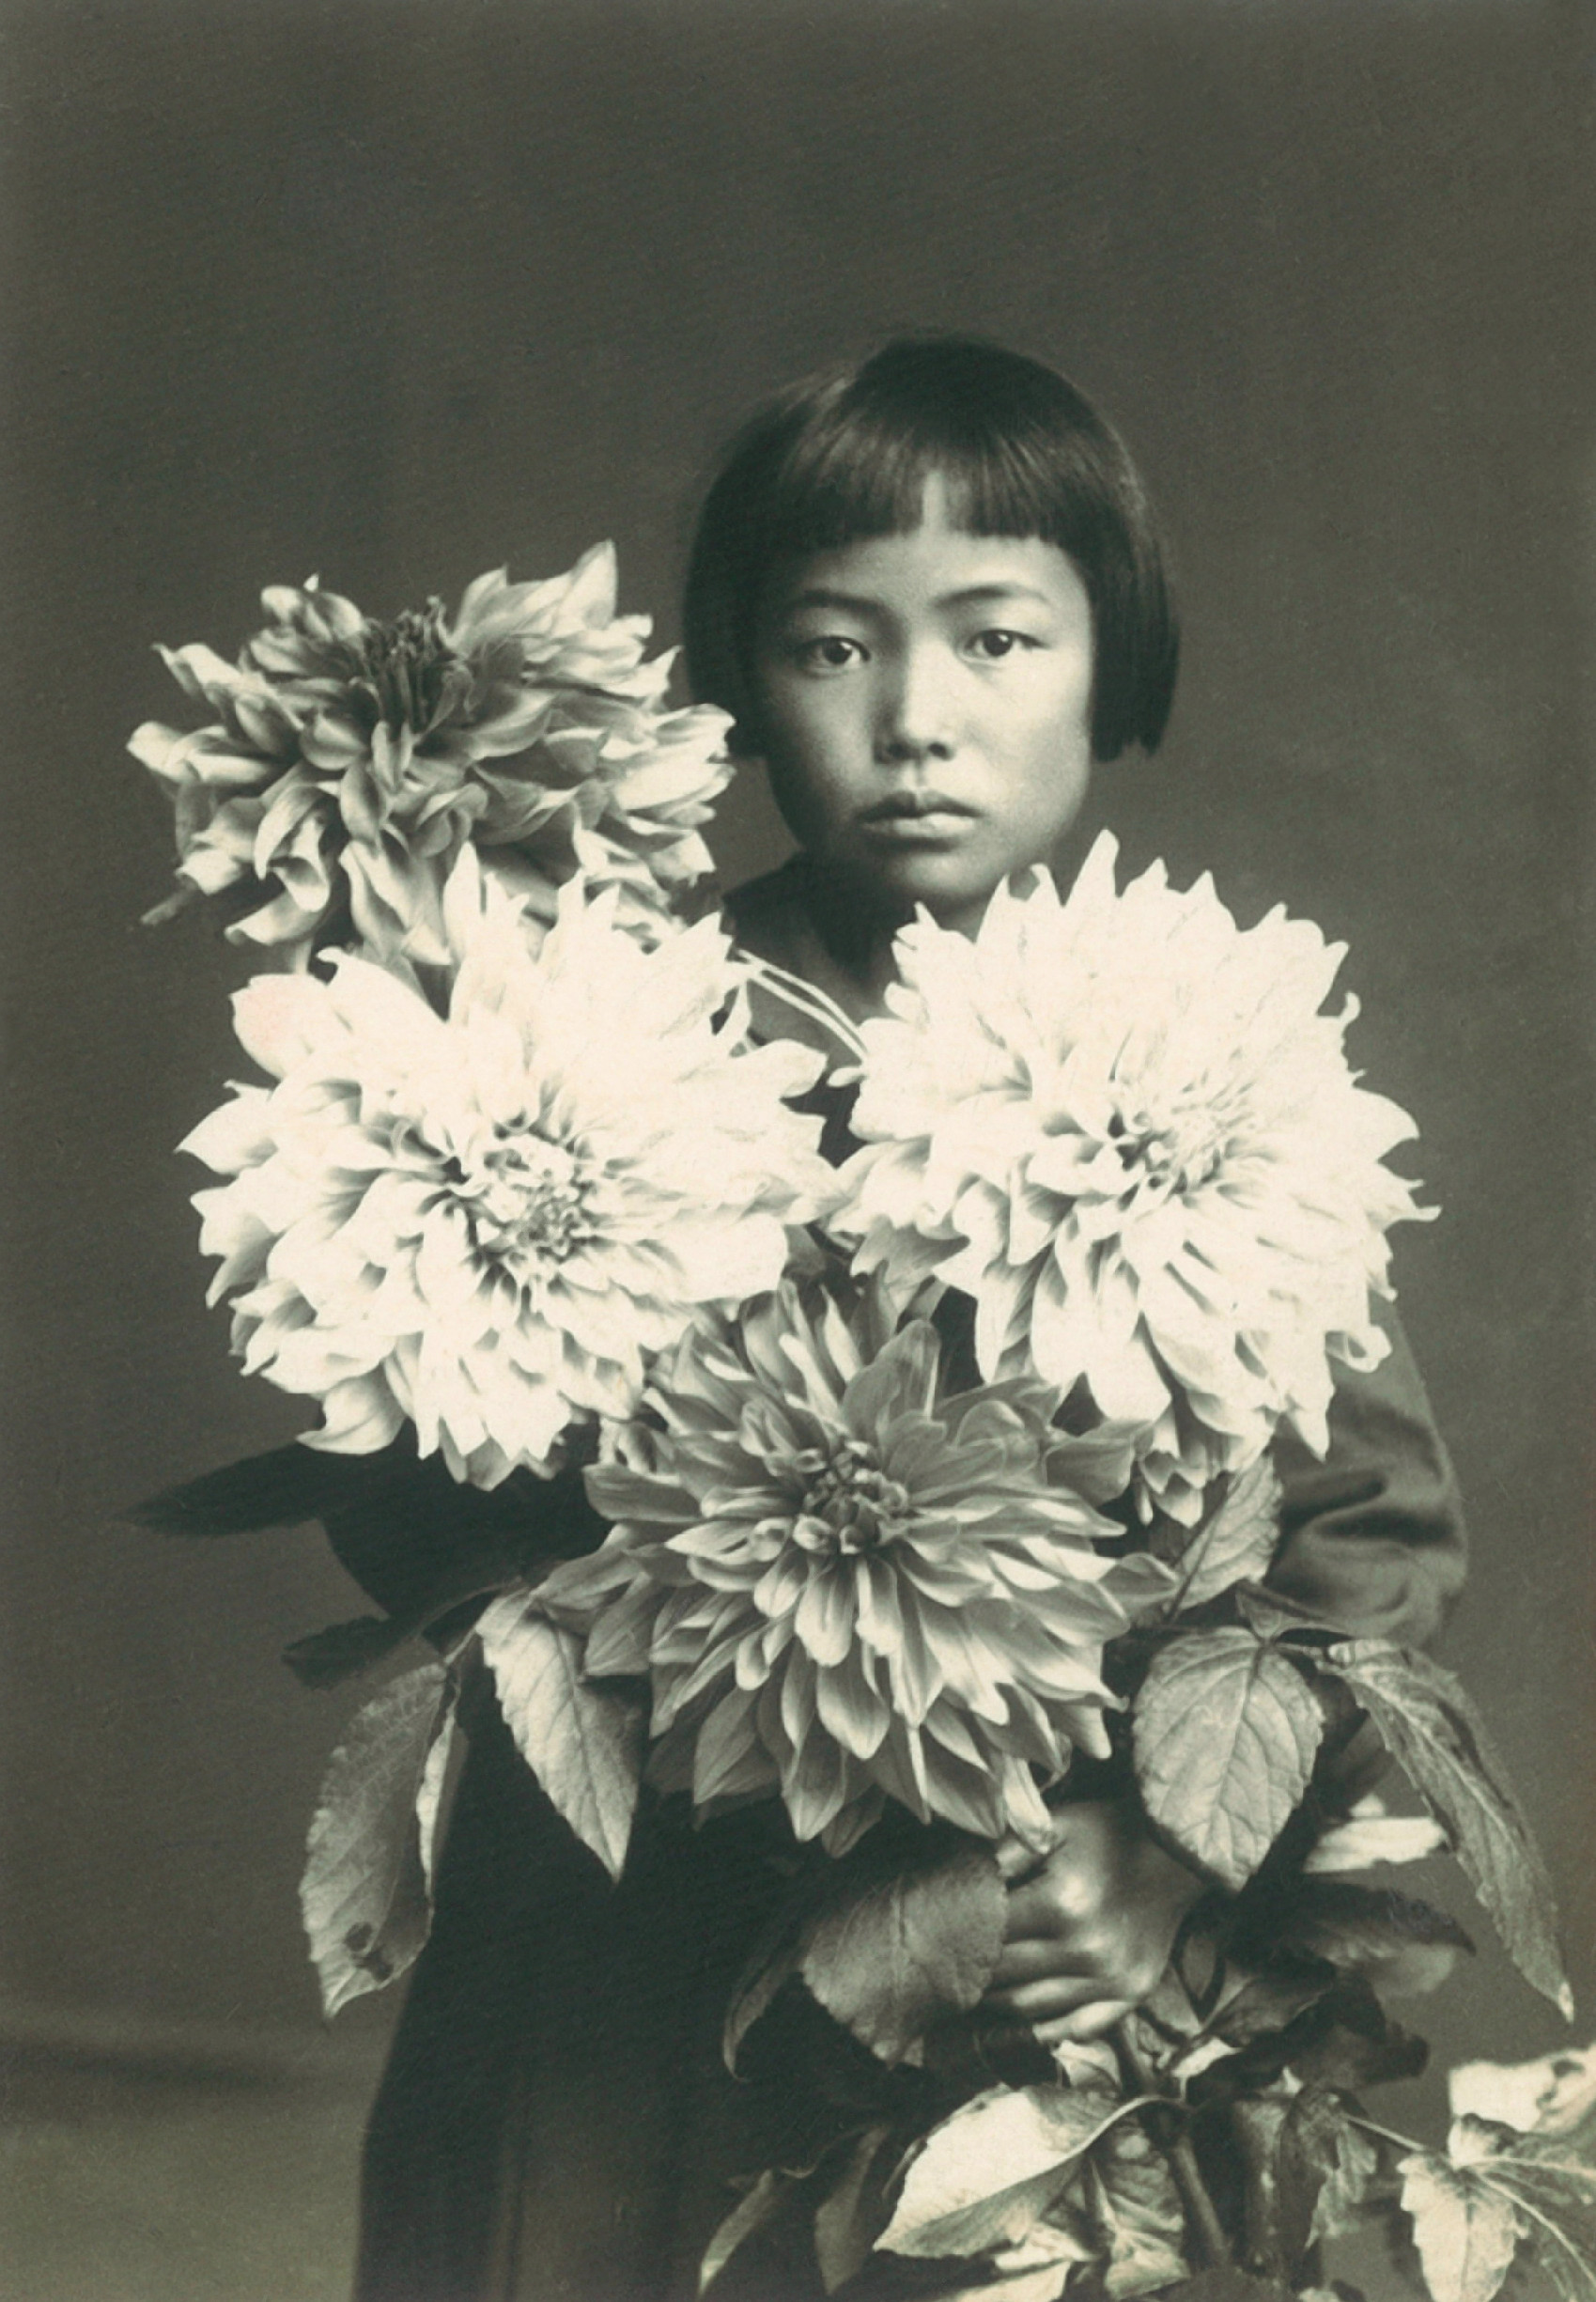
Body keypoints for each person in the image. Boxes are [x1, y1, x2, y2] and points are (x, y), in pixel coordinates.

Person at [352, 338, 1465, 2302]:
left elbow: (1363, 1544)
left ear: (1115, 665)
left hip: (1016, 1963)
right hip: (645, 1955)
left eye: (996, 640)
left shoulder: (1209, 1056)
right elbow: (426, 1496)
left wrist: (1163, 1856)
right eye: (835, 645)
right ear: (740, 688)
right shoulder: (609, 1025)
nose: (916, 720)